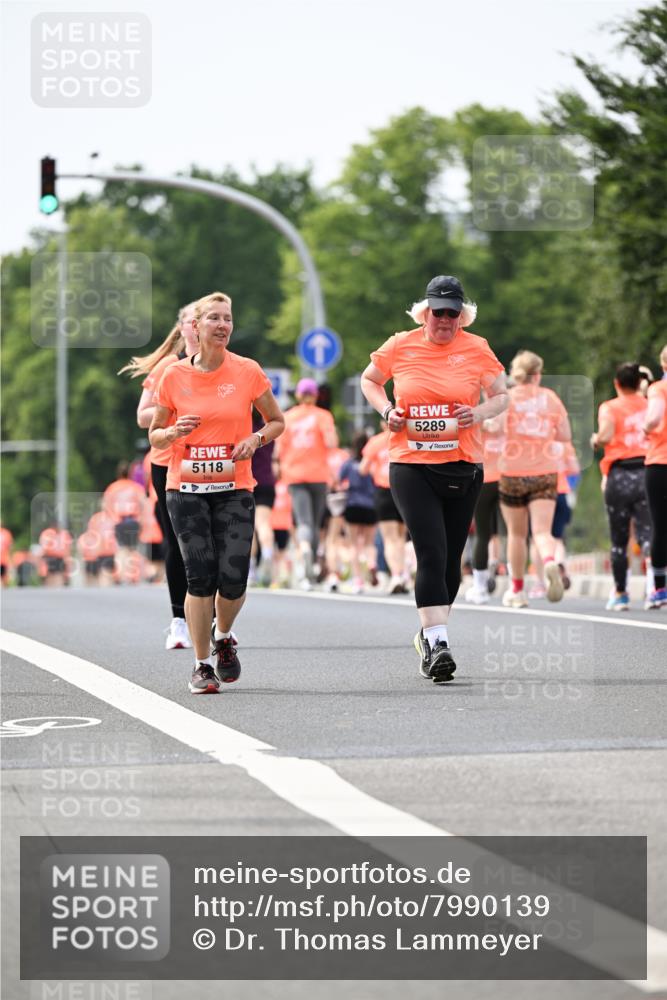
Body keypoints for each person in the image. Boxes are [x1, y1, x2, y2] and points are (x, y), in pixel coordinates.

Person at [361, 275, 507, 683]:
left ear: (463, 315)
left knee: (450, 563)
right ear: (424, 312)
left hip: (463, 465)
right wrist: (386, 410)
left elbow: (502, 395)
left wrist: (476, 414)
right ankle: (439, 643)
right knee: (430, 549)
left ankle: (428, 633)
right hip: (411, 464)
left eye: (452, 313)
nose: (444, 319)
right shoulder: (400, 344)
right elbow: (369, 380)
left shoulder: (476, 349)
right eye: (437, 311)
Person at [149, 291, 284, 694]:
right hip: (185, 488)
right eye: (214, 319)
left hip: (234, 488)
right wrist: (172, 433)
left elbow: (276, 421)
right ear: (196, 327)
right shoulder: (174, 376)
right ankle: (201, 664)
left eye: (228, 319)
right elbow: (155, 435)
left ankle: (223, 635)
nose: (223, 326)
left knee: (234, 579)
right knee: (200, 577)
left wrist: (256, 440)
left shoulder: (247, 371)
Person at [120, 301, 199, 647]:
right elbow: (142, 416)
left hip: (207, 460)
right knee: (178, 541)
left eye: (207, 319)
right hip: (168, 461)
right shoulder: (170, 366)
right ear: (182, 328)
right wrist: (176, 417)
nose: (198, 327)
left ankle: (211, 621)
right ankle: (179, 620)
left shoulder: (225, 366)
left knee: (206, 543)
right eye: (192, 321)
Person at [497, 351, 572, 609]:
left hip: (512, 472)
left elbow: (494, 428)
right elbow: (565, 435)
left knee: (517, 535)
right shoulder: (550, 398)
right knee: (542, 531)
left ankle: (517, 591)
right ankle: (549, 560)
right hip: (545, 471)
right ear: (538, 374)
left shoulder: (507, 398)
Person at [591, 362, 650, 611]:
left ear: (617, 384)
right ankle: (655, 588)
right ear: (639, 384)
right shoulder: (651, 404)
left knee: (619, 537)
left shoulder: (610, 407)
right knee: (650, 534)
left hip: (619, 474)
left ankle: (620, 592)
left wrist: (596, 440)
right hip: (648, 471)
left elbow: (605, 435)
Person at [273, 378, 338, 588]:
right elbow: (331, 443)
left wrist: (278, 468)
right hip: (319, 474)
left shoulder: (288, 417)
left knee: (303, 521)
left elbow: (277, 449)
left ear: (298, 395)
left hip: (294, 475)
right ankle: (313, 561)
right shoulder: (324, 416)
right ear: (316, 395)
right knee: (316, 522)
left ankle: (304, 556)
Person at [360, 421, 409, 593]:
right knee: (401, 537)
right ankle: (403, 575)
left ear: (383, 423)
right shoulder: (406, 437)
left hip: (384, 490)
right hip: (404, 489)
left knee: (389, 538)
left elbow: (363, 469)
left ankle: (396, 575)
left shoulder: (376, 441)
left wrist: (376, 468)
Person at [337, 432, 378, 594]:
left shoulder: (348, 464)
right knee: (369, 543)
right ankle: (371, 563)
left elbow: (339, 482)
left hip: (353, 504)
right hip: (371, 505)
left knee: (353, 544)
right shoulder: (372, 464)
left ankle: (358, 580)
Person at [643, 345, 667, 609]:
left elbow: (655, 416)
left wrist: (645, 427)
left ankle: (659, 588)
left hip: (661, 462)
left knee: (661, 526)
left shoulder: (659, 388)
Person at [0, 523, 13, 587]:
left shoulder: (6, 533)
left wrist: (10, 557)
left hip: (4, 558)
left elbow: (10, 545)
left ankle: (5, 590)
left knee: (4, 576)